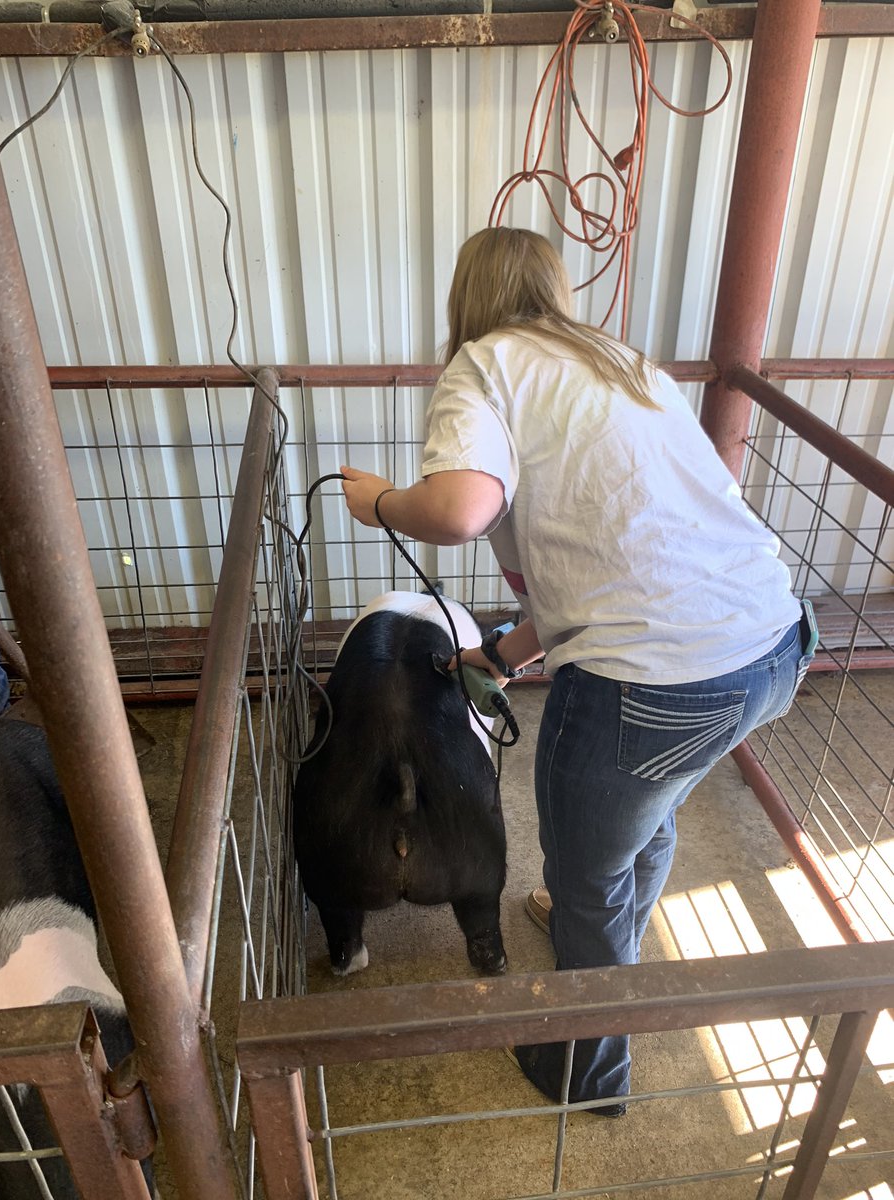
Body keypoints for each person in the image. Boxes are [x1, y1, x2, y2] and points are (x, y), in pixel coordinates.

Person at [340, 226, 811, 1115]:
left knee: (586, 878)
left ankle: (588, 1078)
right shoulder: (623, 364)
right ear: (553, 287)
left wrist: (380, 505)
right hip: (771, 645)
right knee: (653, 801)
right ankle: (611, 941)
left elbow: (463, 508)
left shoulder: (485, 365)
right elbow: (617, 546)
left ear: (465, 299)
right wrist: (508, 652)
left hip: (656, 680)